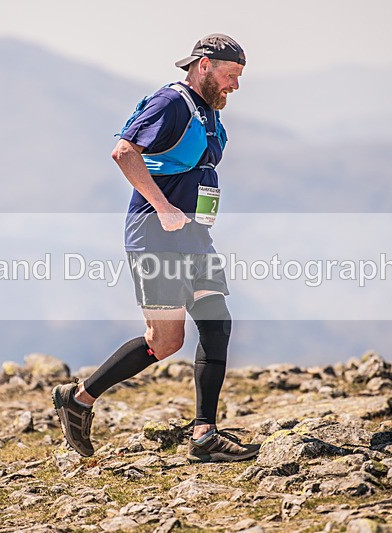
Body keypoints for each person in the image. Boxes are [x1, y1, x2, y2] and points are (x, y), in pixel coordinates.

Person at [53, 34, 259, 463]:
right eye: (230, 75)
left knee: (216, 323)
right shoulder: (171, 102)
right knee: (164, 342)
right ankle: (80, 398)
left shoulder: (206, 112)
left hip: (193, 236)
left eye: (239, 77)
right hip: (156, 235)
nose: (235, 85)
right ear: (204, 65)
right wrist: (162, 206)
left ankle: (204, 434)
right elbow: (124, 151)